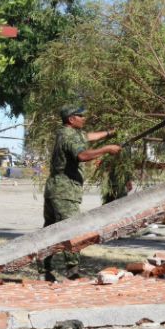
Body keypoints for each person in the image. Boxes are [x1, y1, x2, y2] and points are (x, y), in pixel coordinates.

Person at [40, 106, 121, 282]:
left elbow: (88, 137)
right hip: (64, 192)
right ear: (71, 119)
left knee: (49, 231)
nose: (84, 118)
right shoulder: (68, 136)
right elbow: (82, 155)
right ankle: (72, 273)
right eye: (80, 116)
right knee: (73, 230)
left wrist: (109, 133)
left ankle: (45, 270)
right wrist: (106, 149)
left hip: (57, 189)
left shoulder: (69, 133)